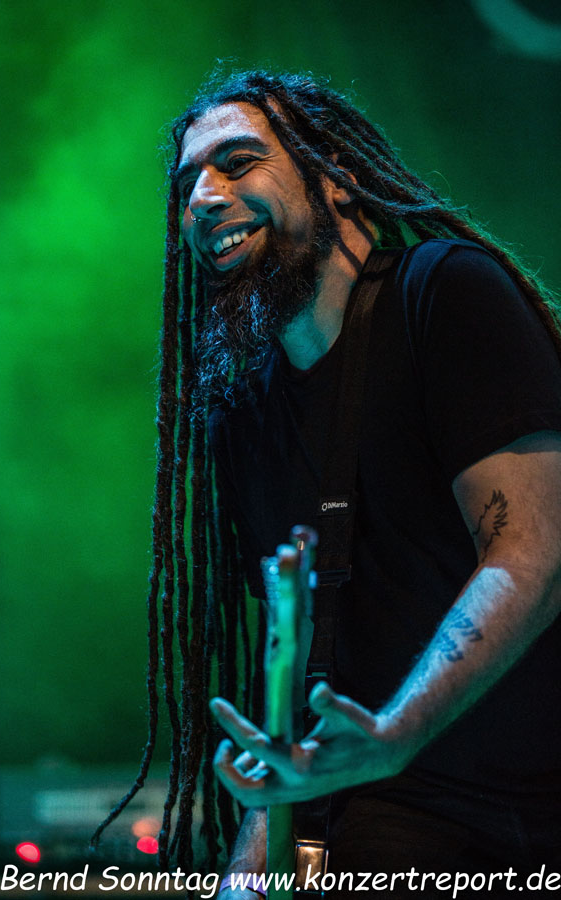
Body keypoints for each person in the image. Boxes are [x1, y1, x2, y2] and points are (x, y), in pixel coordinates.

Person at [94, 69, 561, 897]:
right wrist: (247, 873)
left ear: (336, 177)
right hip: (370, 809)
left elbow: (535, 549)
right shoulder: (245, 407)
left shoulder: (443, 290)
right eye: (188, 183)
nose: (203, 199)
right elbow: (297, 671)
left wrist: (395, 732)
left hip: (516, 809)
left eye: (238, 163)